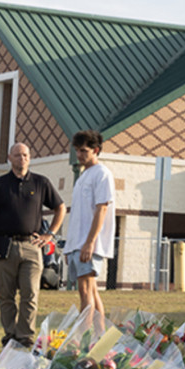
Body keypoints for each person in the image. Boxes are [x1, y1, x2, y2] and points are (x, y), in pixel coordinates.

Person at [0, 143, 66, 348]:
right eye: (18, 155)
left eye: (26, 155)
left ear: (30, 157)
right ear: (9, 157)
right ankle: (10, 335)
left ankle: (25, 336)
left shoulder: (40, 183)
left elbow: (60, 208)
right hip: (4, 246)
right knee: (5, 295)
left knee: (30, 293)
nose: (22, 159)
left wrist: (50, 235)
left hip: (31, 246)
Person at [66, 130, 115, 320]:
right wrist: (70, 247)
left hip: (89, 244)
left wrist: (89, 242)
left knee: (85, 291)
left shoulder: (102, 174)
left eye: (84, 151)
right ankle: (99, 336)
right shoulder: (83, 176)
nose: (79, 155)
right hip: (77, 244)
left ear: (95, 150)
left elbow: (101, 209)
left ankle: (84, 341)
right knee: (91, 291)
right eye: (77, 150)